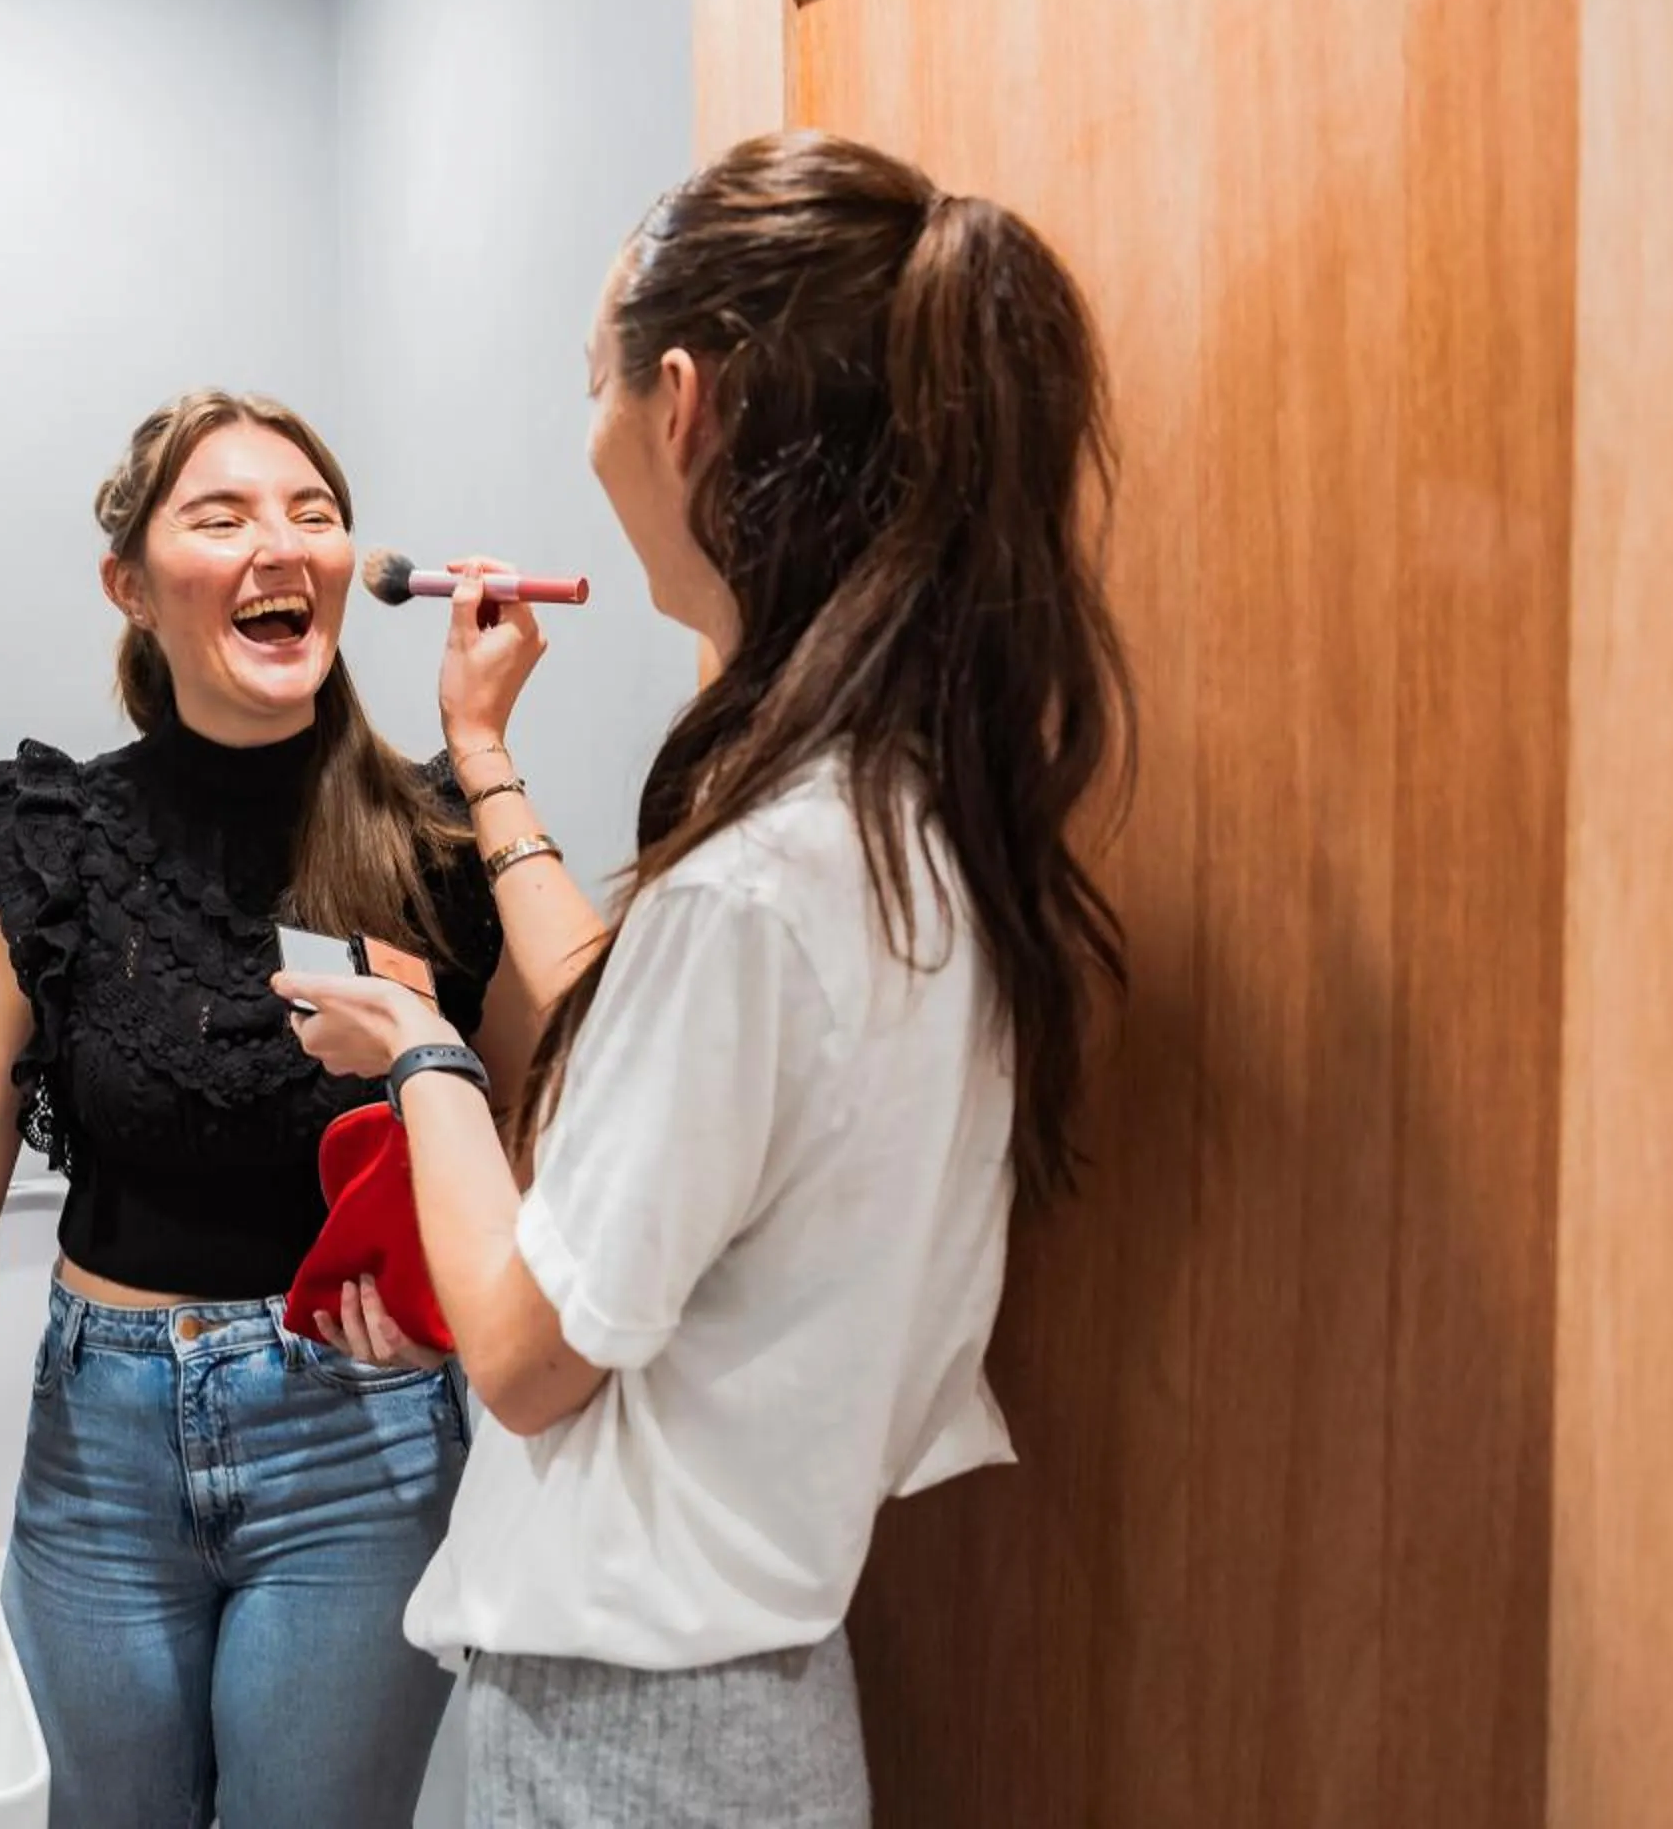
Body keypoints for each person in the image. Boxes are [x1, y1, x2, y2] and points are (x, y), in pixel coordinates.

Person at [276, 130, 1132, 1827]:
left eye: (590, 380)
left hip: (631, 1746)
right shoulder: (901, 825)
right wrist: (483, 757)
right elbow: (675, 1053)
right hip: (753, 1704)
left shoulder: (753, 894)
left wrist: (427, 1063)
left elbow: (523, 1356)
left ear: (682, 404)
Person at [0, 388, 604, 1829]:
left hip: (361, 1445)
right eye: (224, 513)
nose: (283, 544)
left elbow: (551, 1130)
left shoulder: (434, 835)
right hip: (100, 1451)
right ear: (131, 585)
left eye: (314, 512)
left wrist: (441, 1285)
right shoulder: (50, 844)